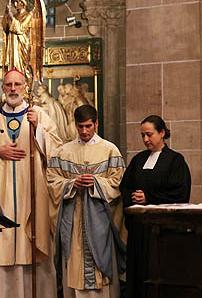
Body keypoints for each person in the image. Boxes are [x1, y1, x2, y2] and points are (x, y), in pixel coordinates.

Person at [0, 69, 62, 298]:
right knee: (3, 244)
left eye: (17, 84)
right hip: (0, 197)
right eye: (8, 84)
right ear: (2, 88)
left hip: (32, 194)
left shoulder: (38, 114)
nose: (12, 89)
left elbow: (58, 151)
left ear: (25, 87)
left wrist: (38, 129)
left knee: (32, 245)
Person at [47, 105, 126, 298]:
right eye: (80, 126)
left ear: (96, 124)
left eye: (88, 126)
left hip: (100, 222)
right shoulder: (62, 152)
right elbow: (51, 181)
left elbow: (119, 182)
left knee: (101, 270)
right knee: (74, 265)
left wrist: (96, 183)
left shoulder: (110, 150)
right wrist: (72, 184)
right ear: (75, 125)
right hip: (73, 221)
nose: (84, 131)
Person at [120, 115, 191, 298]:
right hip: (138, 231)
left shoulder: (175, 161)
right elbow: (124, 187)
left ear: (162, 133)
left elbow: (179, 193)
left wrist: (149, 198)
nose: (145, 139)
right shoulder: (138, 160)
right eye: (142, 135)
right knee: (137, 276)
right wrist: (132, 196)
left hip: (161, 232)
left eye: (149, 134)